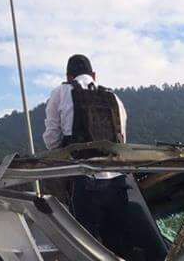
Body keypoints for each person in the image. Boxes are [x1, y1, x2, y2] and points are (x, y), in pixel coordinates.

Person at [43, 55, 129, 247]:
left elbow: (52, 140)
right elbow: (122, 140)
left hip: (83, 180)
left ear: (68, 76)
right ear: (94, 75)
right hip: (117, 181)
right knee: (119, 245)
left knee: (89, 248)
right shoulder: (113, 97)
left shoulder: (60, 93)